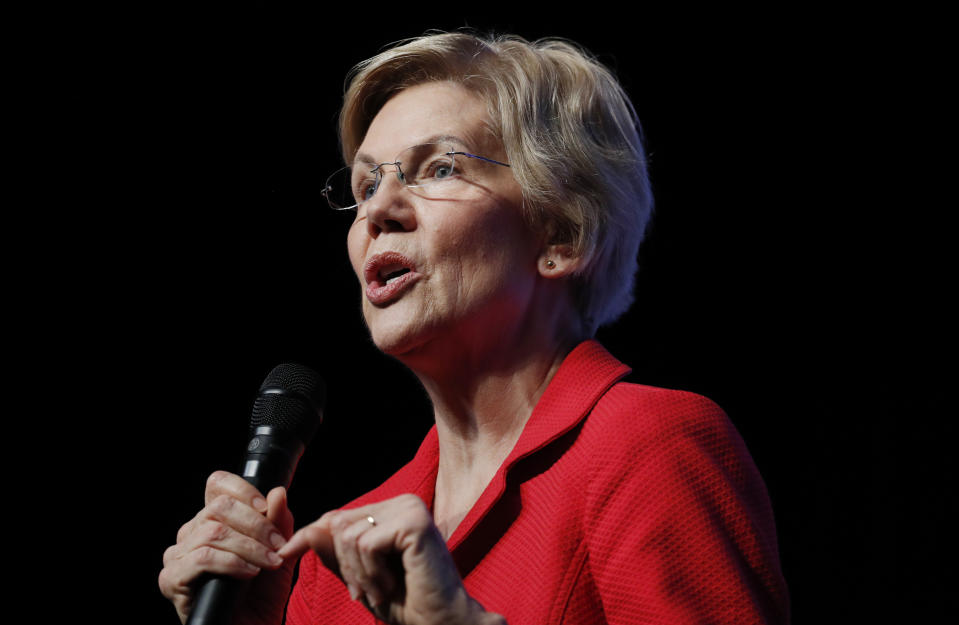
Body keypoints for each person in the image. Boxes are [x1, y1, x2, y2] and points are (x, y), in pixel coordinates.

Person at [159, 32, 790, 624]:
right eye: (366, 182)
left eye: (439, 169)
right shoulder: (339, 550)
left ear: (561, 236)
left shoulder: (646, 444)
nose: (378, 208)